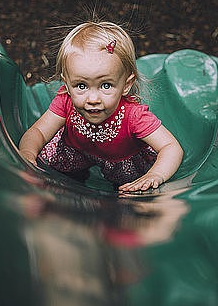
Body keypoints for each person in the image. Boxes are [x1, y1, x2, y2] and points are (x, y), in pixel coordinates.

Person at [19, 21, 183, 192]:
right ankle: (75, 179)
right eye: (81, 86)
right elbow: (38, 131)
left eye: (105, 85)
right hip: (76, 151)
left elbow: (171, 147)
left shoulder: (133, 116)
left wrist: (155, 175)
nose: (93, 99)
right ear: (67, 84)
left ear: (126, 85)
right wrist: (27, 152)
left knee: (126, 191)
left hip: (121, 161)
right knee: (59, 171)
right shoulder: (66, 100)